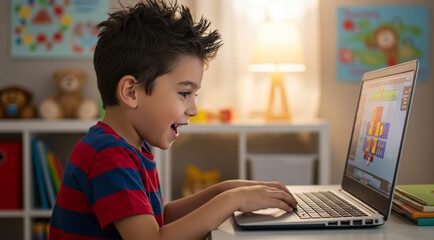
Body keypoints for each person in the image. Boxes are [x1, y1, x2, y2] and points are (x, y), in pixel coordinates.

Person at [49, 0, 297, 239]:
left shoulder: (129, 147)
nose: (194, 109)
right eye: (184, 93)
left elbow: (160, 217)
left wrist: (227, 189)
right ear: (131, 92)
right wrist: (233, 200)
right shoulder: (107, 154)